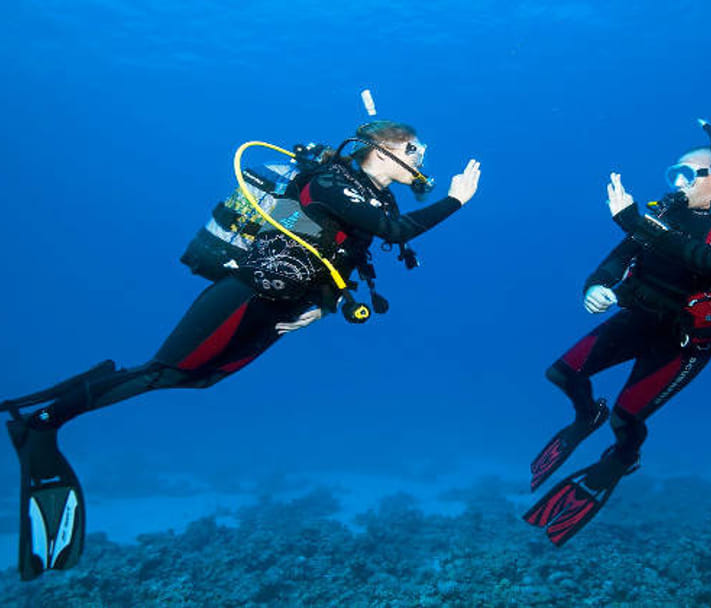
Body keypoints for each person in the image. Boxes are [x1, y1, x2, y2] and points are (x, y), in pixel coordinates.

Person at [2, 120, 481, 580]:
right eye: (414, 149)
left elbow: (339, 252)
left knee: (201, 377)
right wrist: (456, 200)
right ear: (383, 149)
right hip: (246, 292)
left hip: (280, 304)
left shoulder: (373, 194)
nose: (421, 158)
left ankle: (90, 384)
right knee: (163, 370)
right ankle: (42, 424)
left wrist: (321, 304)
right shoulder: (335, 183)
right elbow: (393, 232)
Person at [524, 138, 711, 546]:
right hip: (639, 317)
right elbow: (619, 256)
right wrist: (595, 286)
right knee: (561, 374)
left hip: (685, 340)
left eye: (690, 173)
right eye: (675, 172)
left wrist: (635, 220)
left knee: (625, 418)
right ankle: (584, 418)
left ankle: (624, 457)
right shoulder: (666, 213)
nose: (678, 181)